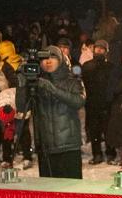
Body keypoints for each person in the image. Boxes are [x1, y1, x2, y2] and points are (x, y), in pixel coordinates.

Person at [16, 45, 85, 178]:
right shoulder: (37, 84)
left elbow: (78, 102)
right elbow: (21, 107)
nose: (47, 61)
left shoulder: (73, 81)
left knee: (71, 192)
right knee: (49, 193)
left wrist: (51, 88)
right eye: (43, 59)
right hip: (46, 148)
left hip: (68, 147)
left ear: (60, 60)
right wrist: (21, 85)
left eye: (52, 57)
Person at [80, 39, 115, 164]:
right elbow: (82, 84)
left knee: (108, 130)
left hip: (107, 104)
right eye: (97, 48)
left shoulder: (111, 67)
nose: (99, 50)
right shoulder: (87, 66)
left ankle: (111, 154)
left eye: (102, 48)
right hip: (92, 103)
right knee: (94, 130)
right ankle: (97, 154)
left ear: (106, 51)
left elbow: (113, 86)